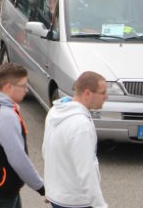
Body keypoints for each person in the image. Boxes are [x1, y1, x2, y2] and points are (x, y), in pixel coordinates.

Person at [0, 62, 45, 208]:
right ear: (9, 87)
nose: (26, 90)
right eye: (23, 85)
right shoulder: (6, 115)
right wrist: (41, 187)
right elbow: (18, 158)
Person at [42, 71, 108, 208]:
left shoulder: (55, 112)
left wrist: (50, 188)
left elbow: (47, 150)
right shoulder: (81, 125)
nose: (106, 97)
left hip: (58, 197)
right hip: (76, 202)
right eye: (103, 93)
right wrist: (100, 205)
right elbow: (87, 171)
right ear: (88, 93)